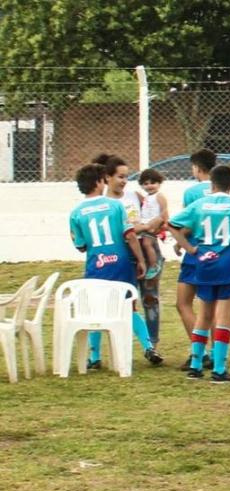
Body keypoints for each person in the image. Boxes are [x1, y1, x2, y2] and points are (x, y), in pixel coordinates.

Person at [168, 165, 230, 384]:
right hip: (228, 261)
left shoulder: (199, 204)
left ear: (212, 183)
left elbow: (172, 224)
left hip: (204, 261)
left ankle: (195, 365)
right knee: (224, 316)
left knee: (204, 314)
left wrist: (189, 248)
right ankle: (219, 369)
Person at [68, 163, 151, 369]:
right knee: (128, 307)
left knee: (96, 309)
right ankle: (149, 346)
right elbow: (130, 235)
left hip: (97, 266)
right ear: (98, 182)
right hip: (121, 264)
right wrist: (140, 260)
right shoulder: (115, 206)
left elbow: (80, 245)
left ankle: (95, 357)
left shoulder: (76, 213)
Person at [96, 154, 164, 365]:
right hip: (123, 259)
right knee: (126, 303)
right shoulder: (104, 204)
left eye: (126, 176)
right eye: (120, 176)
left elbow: (157, 216)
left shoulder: (135, 196)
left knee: (150, 299)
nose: (124, 181)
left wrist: (153, 225)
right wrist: (140, 227)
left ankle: (152, 346)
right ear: (107, 177)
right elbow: (122, 231)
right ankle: (102, 352)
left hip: (148, 253)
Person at [176, 149, 216, 371]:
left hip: (195, 253)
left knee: (183, 303)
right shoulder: (221, 190)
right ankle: (214, 352)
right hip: (217, 254)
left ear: (197, 167)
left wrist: (179, 238)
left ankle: (199, 352)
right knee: (211, 305)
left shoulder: (192, 192)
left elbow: (188, 222)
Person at [137, 169, 168, 280]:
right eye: (146, 183)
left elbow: (165, 211)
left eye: (153, 183)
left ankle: (154, 265)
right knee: (144, 245)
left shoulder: (159, 196)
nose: (150, 186)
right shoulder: (147, 197)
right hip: (145, 225)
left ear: (159, 183)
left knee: (147, 244)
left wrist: (160, 224)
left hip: (153, 226)